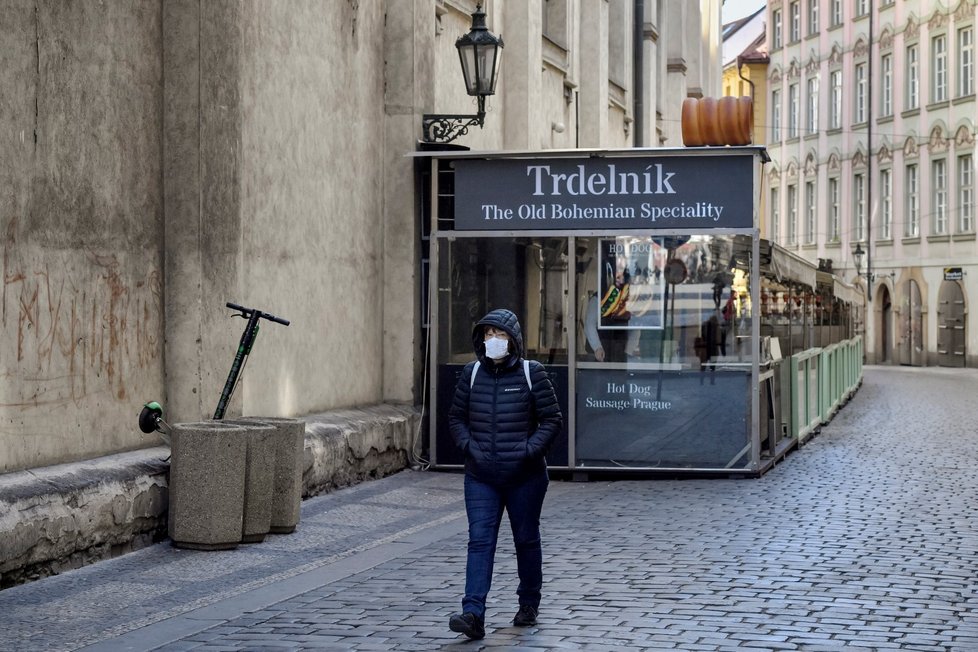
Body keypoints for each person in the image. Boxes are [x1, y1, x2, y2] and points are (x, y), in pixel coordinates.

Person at [447, 308, 563, 640]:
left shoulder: (532, 373)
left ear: (513, 341)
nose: (493, 341)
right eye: (487, 335)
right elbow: (456, 418)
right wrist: (470, 447)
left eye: (499, 335)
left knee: (525, 539)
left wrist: (527, 451)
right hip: (481, 476)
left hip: (525, 477)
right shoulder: (471, 374)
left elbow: (552, 420)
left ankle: (528, 603)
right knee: (480, 541)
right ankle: (473, 614)